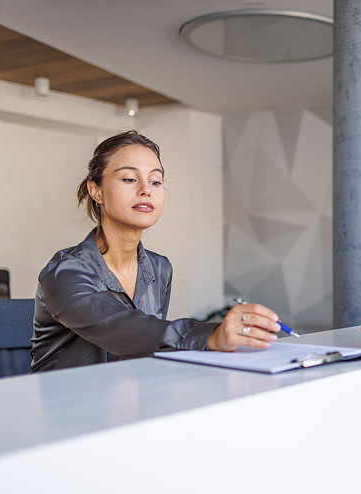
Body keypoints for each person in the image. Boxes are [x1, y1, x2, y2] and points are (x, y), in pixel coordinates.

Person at [31, 131, 281, 372]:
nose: (146, 190)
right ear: (96, 191)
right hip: (66, 399)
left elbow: (149, 347)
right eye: (129, 179)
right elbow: (121, 328)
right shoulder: (64, 272)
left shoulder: (160, 268)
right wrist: (210, 335)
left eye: (155, 181)